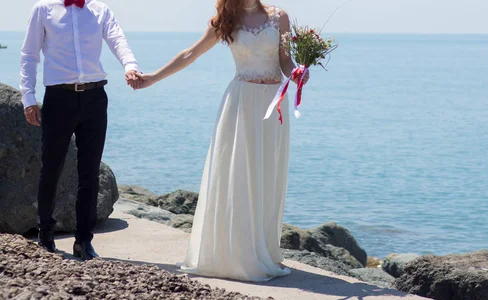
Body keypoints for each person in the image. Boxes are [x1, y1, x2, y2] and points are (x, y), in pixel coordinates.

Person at [132, 0, 309, 281]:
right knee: (237, 175)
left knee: (267, 175)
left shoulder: (280, 17)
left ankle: (262, 249)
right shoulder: (225, 19)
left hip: (273, 104)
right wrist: (153, 78)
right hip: (241, 103)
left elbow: (285, 60)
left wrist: (298, 73)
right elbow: (190, 53)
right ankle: (235, 255)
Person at [20, 0, 142, 260]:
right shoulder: (43, 9)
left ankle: (83, 241)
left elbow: (117, 39)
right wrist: (28, 98)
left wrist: (130, 66)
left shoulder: (100, 10)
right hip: (58, 98)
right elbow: (29, 55)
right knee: (50, 169)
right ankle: (45, 234)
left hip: (95, 98)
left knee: (90, 174)